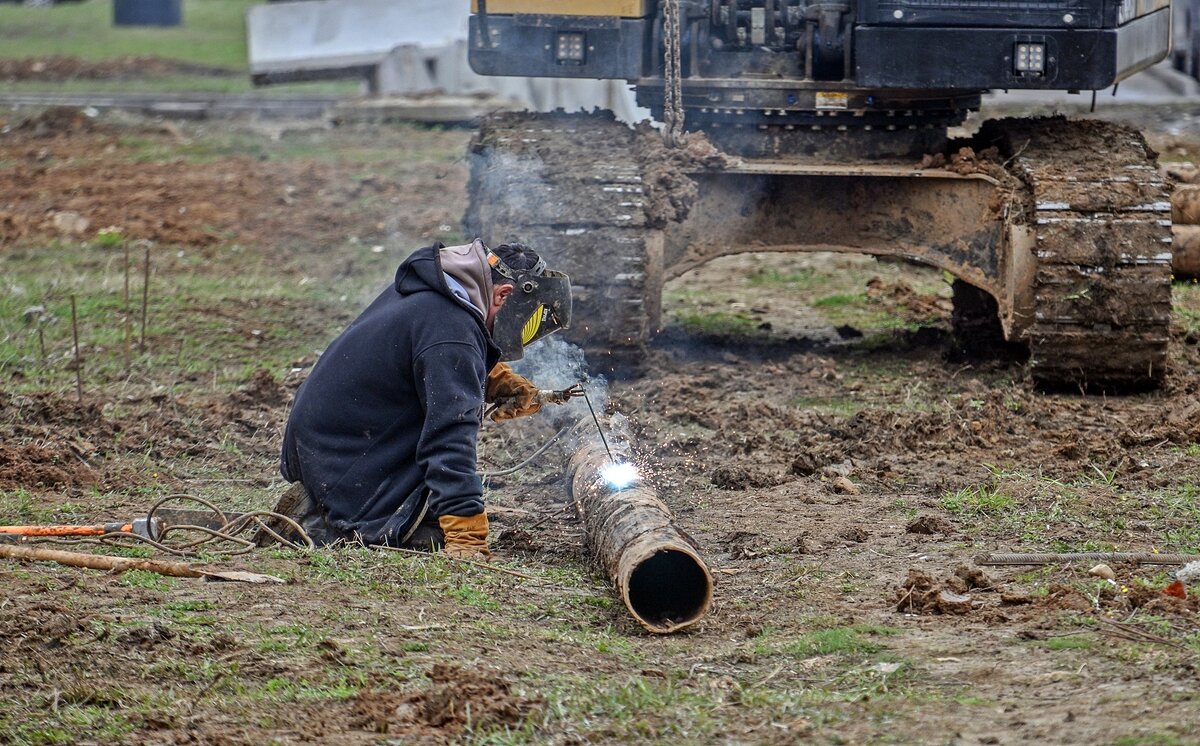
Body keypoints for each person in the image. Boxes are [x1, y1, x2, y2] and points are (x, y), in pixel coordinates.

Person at [273, 238, 571, 558]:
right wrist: (466, 538)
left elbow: (415, 360)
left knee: (432, 510)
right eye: (526, 325)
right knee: (430, 534)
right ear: (503, 295)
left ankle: (329, 502)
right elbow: (449, 439)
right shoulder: (453, 331)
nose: (523, 335)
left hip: (328, 445)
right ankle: (328, 521)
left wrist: (491, 378)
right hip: (345, 462)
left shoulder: (439, 292)